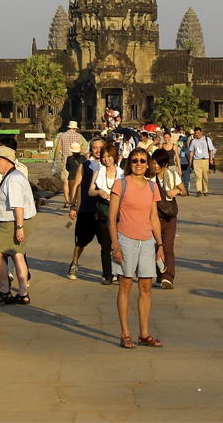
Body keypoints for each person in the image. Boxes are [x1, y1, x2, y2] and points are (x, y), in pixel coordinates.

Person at [108, 148, 164, 349]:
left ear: (148, 164)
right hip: (126, 239)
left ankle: (144, 333)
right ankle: (125, 333)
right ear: (129, 163)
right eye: (134, 161)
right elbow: (112, 218)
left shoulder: (151, 187)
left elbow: (154, 218)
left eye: (142, 160)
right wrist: (115, 246)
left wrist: (160, 244)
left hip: (147, 241)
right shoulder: (120, 184)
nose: (138, 164)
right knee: (125, 286)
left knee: (146, 287)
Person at [0, 146, 36, 305]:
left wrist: (19, 227)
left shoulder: (13, 179)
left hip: (11, 222)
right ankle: (23, 292)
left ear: (6, 161)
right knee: (17, 255)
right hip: (14, 221)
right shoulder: (15, 176)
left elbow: (18, 206)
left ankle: (4, 289)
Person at [66, 139, 114, 283]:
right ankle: (74, 263)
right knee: (80, 240)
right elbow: (76, 185)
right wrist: (73, 205)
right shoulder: (85, 166)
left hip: (105, 210)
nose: (98, 150)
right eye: (95, 148)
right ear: (90, 150)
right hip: (87, 208)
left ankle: (109, 272)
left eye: (101, 147)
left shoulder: (112, 167)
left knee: (106, 243)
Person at [150, 148, 185, 290]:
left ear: (164, 164)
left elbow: (184, 191)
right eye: (154, 163)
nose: (156, 166)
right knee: (157, 247)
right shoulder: (149, 178)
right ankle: (160, 274)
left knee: (168, 247)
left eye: (159, 163)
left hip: (170, 217)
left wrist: (177, 191)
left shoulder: (172, 175)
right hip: (154, 217)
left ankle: (169, 276)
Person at [53, 121, 88, 209]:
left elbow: (58, 147)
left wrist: (54, 158)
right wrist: (83, 159)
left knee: (66, 181)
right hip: (76, 161)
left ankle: (67, 201)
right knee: (76, 181)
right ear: (75, 128)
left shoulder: (62, 135)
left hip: (65, 160)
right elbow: (81, 149)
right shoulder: (78, 136)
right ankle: (75, 200)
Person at [188, 127, 215, 196]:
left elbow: (211, 150)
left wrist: (211, 159)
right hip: (196, 160)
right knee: (198, 176)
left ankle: (205, 190)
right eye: (196, 133)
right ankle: (199, 190)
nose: (197, 135)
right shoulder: (193, 141)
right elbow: (191, 152)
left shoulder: (207, 139)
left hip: (205, 159)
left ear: (201, 132)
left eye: (198, 133)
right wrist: (190, 162)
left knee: (205, 176)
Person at [64, 142, 86, 209]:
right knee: (80, 195)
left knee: (72, 194)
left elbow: (67, 167)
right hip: (81, 178)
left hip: (72, 177)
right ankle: (79, 208)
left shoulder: (69, 158)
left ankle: (72, 207)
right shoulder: (83, 158)